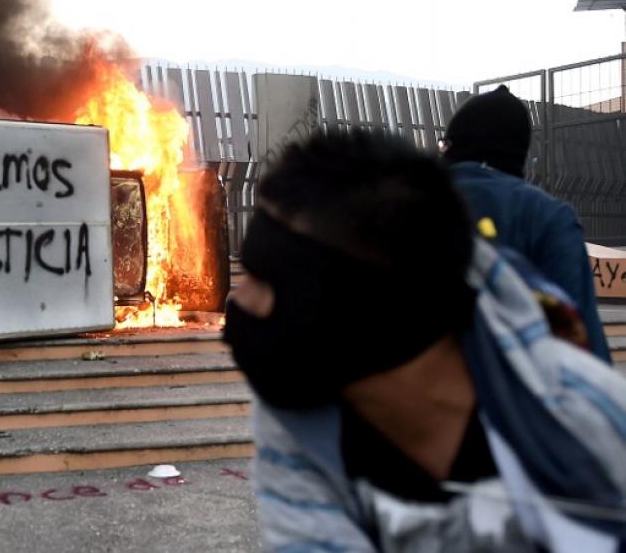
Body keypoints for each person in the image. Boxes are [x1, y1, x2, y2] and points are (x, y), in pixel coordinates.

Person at [224, 131, 626, 551]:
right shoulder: (299, 424)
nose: (239, 299)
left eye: (266, 278)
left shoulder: (596, 429)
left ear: (370, 306)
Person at [442, 85, 611, 363]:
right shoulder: (547, 216)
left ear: (456, 147)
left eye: (444, 145)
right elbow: (580, 341)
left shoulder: (403, 205)